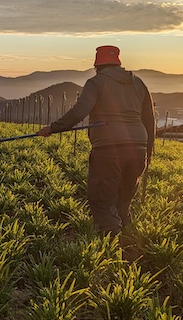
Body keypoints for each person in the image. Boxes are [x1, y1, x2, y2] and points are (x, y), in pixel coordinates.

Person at [38, 45, 155, 236]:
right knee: (123, 201)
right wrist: (147, 155)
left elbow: (78, 112)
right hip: (138, 150)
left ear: (97, 65)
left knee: (103, 201)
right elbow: (149, 121)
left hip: (108, 150)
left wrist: (52, 128)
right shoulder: (139, 83)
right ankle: (129, 245)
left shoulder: (96, 82)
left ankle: (109, 251)